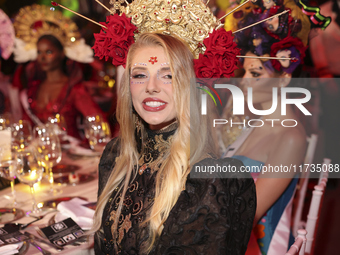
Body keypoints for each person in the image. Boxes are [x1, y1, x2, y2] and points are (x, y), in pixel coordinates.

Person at [92, 32, 256, 255]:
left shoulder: (207, 181)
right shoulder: (116, 156)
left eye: (167, 76)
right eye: (140, 75)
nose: (151, 87)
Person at [218, 0, 329, 253]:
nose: (244, 81)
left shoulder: (291, 137)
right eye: (244, 72)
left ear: (284, 79)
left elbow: (247, 217)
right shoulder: (254, 122)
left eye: (255, 74)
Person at [12, 4, 104, 140]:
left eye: (49, 52)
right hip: (41, 155)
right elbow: (26, 126)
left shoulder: (74, 89)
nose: (42, 57)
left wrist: (83, 146)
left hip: (70, 155)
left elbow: (100, 124)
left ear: (62, 53)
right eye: (39, 52)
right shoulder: (34, 87)